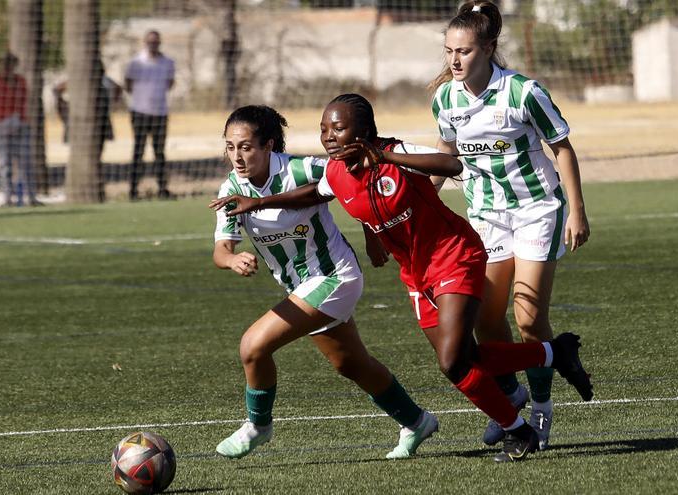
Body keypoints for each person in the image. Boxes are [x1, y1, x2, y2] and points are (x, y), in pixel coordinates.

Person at [212, 94, 593, 463]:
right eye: (323, 129)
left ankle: (517, 428)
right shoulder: (333, 172)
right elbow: (319, 192)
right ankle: (552, 354)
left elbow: (451, 165)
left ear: (362, 134)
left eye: (337, 129)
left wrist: (387, 156)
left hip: (450, 255)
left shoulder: (390, 153)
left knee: (451, 362)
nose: (328, 137)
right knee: (452, 359)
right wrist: (258, 209)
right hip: (414, 271)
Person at [210, 105, 439, 460]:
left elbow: (356, 182)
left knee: (252, 346)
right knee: (350, 364)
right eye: (230, 147)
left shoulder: (302, 168)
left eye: (246, 147)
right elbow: (221, 250)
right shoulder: (230, 188)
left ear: (268, 145)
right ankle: (416, 421)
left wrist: (372, 233)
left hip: (335, 276)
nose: (237, 157)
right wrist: (232, 259)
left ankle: (258, 426)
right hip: (301, 287)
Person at [428, 1, 591, 450]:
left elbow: (562, 148)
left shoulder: (522, 92)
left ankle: (541, 408)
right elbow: (447, 157)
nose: (455, 60)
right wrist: (422, 196)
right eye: (448, 51)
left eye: (464, 51)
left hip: (536, 208)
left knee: (529, 317)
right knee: (484, 320)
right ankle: (510, 395)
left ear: (488, 48)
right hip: (485, 215)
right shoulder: (445, 99)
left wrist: (576, 210)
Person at [54, 61, 121, 202]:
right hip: (81, 126)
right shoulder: (78, 80)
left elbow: (118, 89)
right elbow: (56, 90)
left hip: (101, 123)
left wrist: (112, 104)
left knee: (97, 155)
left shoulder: (106, 82)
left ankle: (96, 186)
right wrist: (63, 111)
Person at [0, 52, 39, 207]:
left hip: (20, 125)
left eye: (10, 64)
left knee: (25, 161)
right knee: (4, 162)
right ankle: (7, 197)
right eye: (4, 64)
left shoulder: (21, 82)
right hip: (0, 126)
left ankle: (30, 197)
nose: (7, 67)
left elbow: (25, 103)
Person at [125, 30, 175, 200]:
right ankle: (133, 191)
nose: (153, 45)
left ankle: (163, 189)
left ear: (159, 43)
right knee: (138, 151)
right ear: (145, 43)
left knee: (159, 152)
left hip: (160, 112)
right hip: (139, 112)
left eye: (156, 42)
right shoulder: (136, 62)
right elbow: (128, 84)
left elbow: (170, 83)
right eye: (150, 42)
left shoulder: (168, 62)